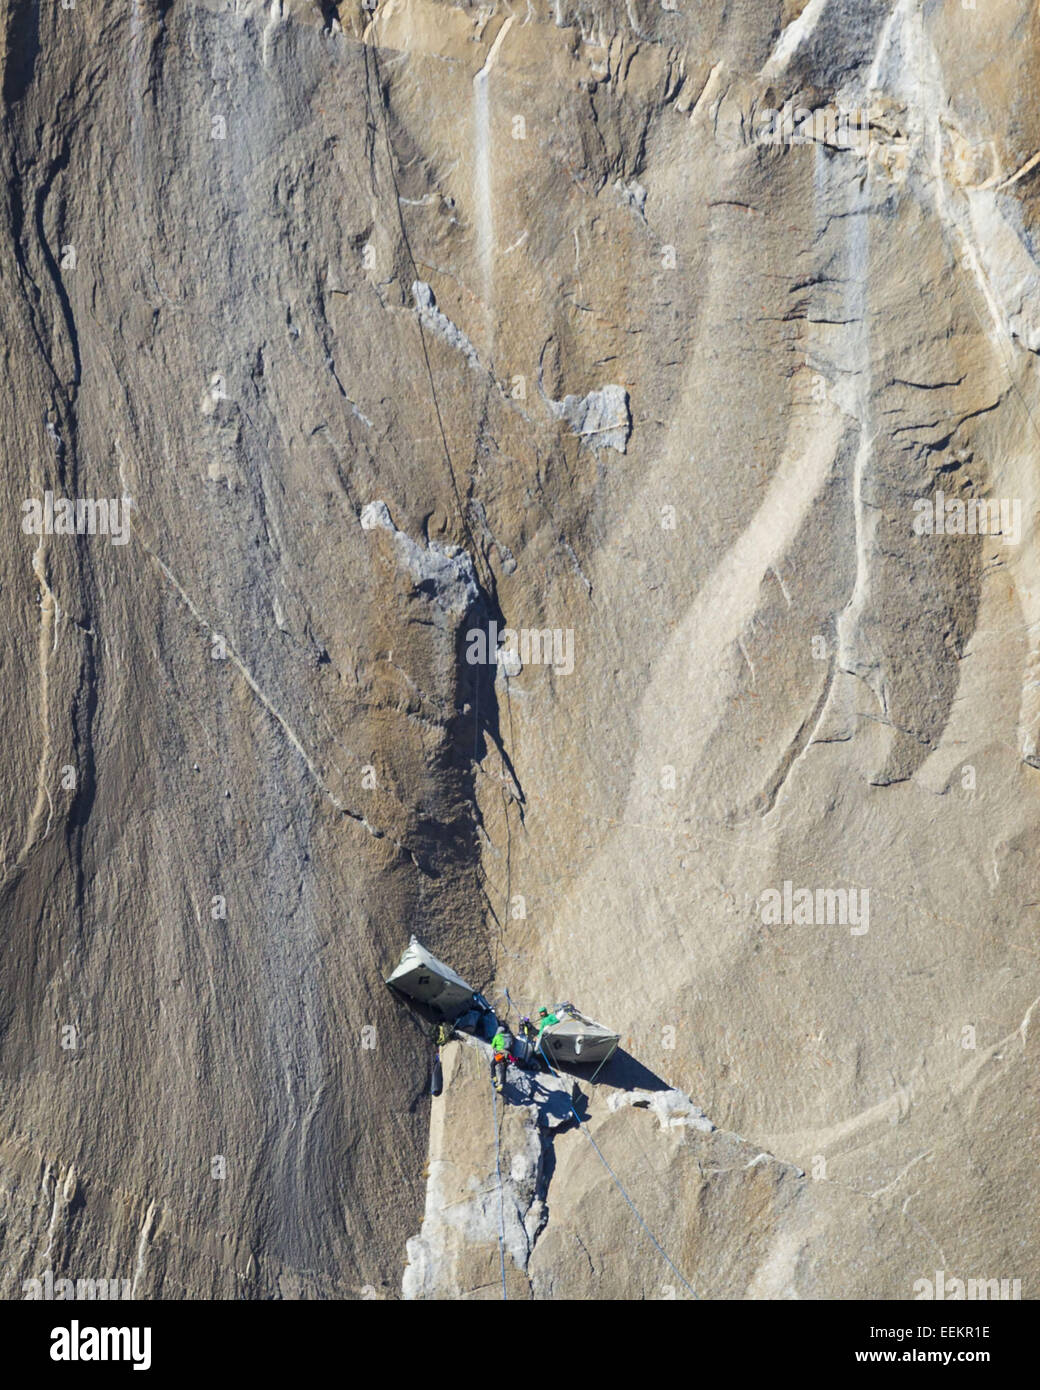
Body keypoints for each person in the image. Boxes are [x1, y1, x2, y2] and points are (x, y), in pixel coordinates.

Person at [490, 1018, 514, 1094]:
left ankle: (494, 1078)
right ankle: (501, 1085)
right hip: (507, 1055)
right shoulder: (509, 1036)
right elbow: (511, 1045)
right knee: (503, 1070)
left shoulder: (497, 1037)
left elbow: (492, 1045)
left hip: (500, 1054)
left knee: (493, 1064)